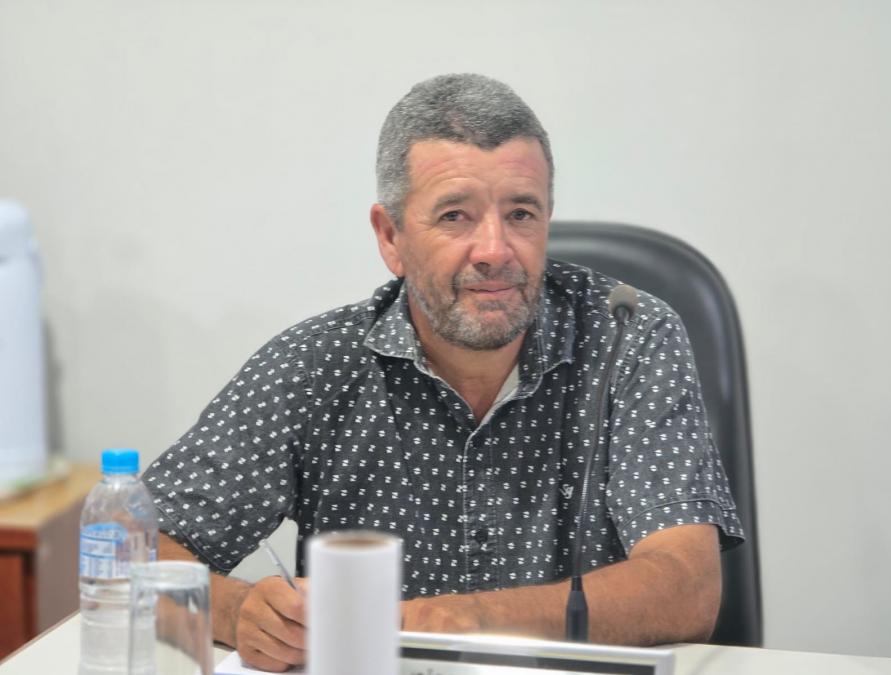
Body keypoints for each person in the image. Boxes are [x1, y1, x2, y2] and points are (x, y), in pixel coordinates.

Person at [143, 73, 744, 672]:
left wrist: (461, 621)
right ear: (391, 237)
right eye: (456, 216)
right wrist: (235, 611)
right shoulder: (316, 367)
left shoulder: (626, 336)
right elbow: (130, 548)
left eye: (521, 214)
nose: (495, 250)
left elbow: (686, 588)